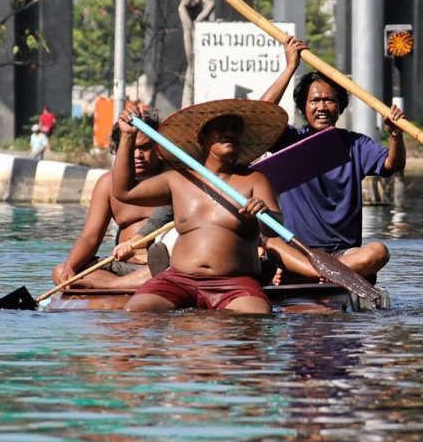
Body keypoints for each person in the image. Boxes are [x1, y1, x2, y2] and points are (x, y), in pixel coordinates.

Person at [112, 99, 287, 314]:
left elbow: (275, 228)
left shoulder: (254, 180)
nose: (229, 133)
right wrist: (127, 136)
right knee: (136, 311)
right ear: (203, 138)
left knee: (257, 314)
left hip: (233, 283)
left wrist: (263, 213)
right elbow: (124, 192)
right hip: (178, 279)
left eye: (234, 129)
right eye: (220, 129)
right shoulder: (179, 180)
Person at [259, 36, 406, 283]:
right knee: (269, 244)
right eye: (315, 101)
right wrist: (290, 68)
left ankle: (326, 272)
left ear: (340, 107)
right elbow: (261, 116)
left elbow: (393, 165)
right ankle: (326, 273)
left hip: (343, 254)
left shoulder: (355, 144)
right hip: (298, 252)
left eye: (329, 100)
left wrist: (395, 136)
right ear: (303, 108)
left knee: (378, 252)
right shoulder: (290, 141)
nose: (322, 107)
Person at [51, 109, 164, 289]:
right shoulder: (107, 184)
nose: (137, 156)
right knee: (60, 271)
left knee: (168, 272)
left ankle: (121, 285)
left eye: (144, 148)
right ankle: (125, 285)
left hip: (161, 267)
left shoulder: (174, 179)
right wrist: (71, 267)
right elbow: (90, 237)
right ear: (118, 151)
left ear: (158, 147)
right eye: (130, 149)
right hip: (124, 267)